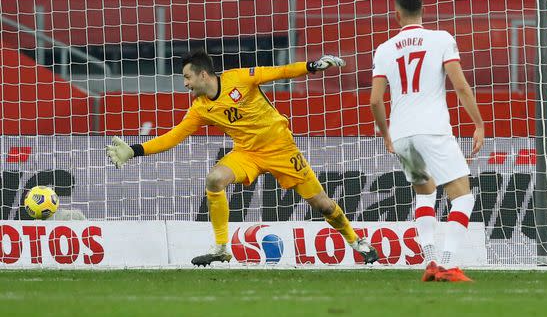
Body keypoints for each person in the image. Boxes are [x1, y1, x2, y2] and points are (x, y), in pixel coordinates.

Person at [106, 49, 378, 266]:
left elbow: (279, 71)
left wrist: (311, 66)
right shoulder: (200, 109)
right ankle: (222, 248)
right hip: (247, 153)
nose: (186, 84)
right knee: (214, 179)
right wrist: (135, 149)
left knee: (323, 205)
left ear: (203, 75)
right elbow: (173, 137)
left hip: (281, 149)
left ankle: (356, 241)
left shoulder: (239, 78)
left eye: (187, 77)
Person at [369, 0, 484, 282]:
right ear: (422, 10)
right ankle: (447, 263)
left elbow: (374, 100)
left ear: (396, 14)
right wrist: (479, 124)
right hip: (432, 128)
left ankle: (430, 262)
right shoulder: (441, 39)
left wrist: (386, 135)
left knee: (426, 192)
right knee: (463, 197)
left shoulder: (384, 49)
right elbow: (459, 85)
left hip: (403, 133)